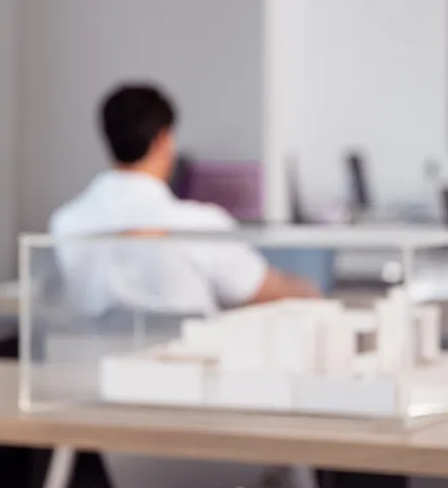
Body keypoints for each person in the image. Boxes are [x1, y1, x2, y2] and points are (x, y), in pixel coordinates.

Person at [49, 83, 318, 316]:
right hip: (184, 370)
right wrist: (311, 291)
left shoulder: (66, 222)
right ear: (164, 139)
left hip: (94, 368)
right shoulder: (199, 224)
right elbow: (263, 290)